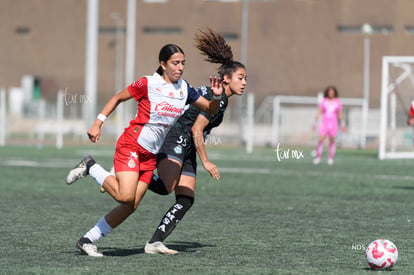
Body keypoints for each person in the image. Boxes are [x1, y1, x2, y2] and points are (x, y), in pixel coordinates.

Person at [65, 43, 223, 257]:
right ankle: (90, 166)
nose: (180, 68)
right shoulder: (148, 83)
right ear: (163, 64)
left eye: (183, 63)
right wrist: (98, 122)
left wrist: (215, 97)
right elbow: (117, 98)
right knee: (125, 196)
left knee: (131, 205)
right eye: (175, 63)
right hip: (132, 144)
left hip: (149, 156)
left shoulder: (185, 89)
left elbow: (209, 109)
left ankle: (87, 240)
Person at [144, 28, 247, 254]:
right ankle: (129, 172)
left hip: (187, 145)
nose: (244, 83)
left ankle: (154, 243)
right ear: (226, 78)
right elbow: (196, 129)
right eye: (240, 78)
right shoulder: (216, 99)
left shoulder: (220, 98)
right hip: (177, 136)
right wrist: (207, 161)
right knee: (166, 187)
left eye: (245, 78)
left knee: (186, 198)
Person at [313, 86, 345, 165]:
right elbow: (319, 112)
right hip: (324, 123)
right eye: (329, 92)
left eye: (332, 92)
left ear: (334, 93)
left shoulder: (337, 102)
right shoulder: (324, 101)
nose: (331, 93)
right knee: (321, 139)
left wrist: (343, 124)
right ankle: (318, 157)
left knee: (332, 140)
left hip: (333, 123)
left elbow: (340, 114)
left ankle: (330, 158)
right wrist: (315, 123)